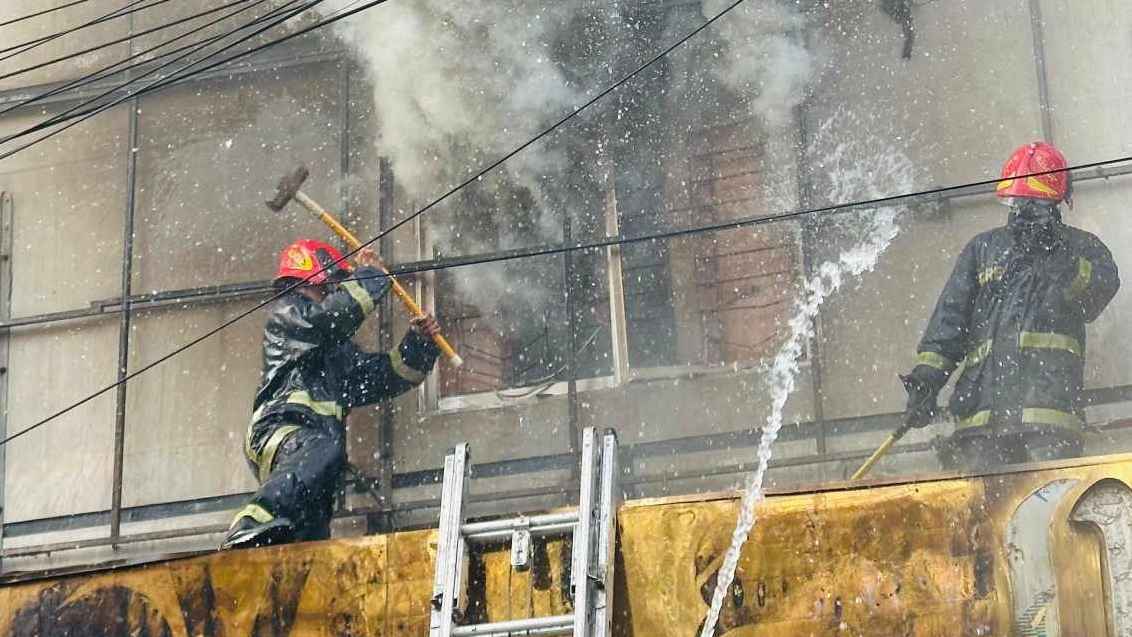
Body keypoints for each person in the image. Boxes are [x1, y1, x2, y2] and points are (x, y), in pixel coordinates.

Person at [903, 141, 1120, 471]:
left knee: (1049, 509)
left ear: (1056, 201)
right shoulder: (983, 249)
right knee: (985, 516)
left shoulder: (1082, 247)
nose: (1024, 209)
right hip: (982, 419)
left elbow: (1097, 295)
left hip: (1049, 418)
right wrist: (926, 383)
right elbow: (948, 324)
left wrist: (1058, 256)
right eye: (1019, 201)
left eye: (1033, 202)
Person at [221, 238, 441, 550]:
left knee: (311, 535)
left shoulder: (337, 354)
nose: (337, 291)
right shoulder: (288, 314)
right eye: (335, 283)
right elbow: (332, 317)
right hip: (284, 428)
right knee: (323, 449)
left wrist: (420, 343)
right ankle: (251, 523)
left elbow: (385, 377)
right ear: (316, 274)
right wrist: (370, 276)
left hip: (316, 452)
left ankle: (282, 558)